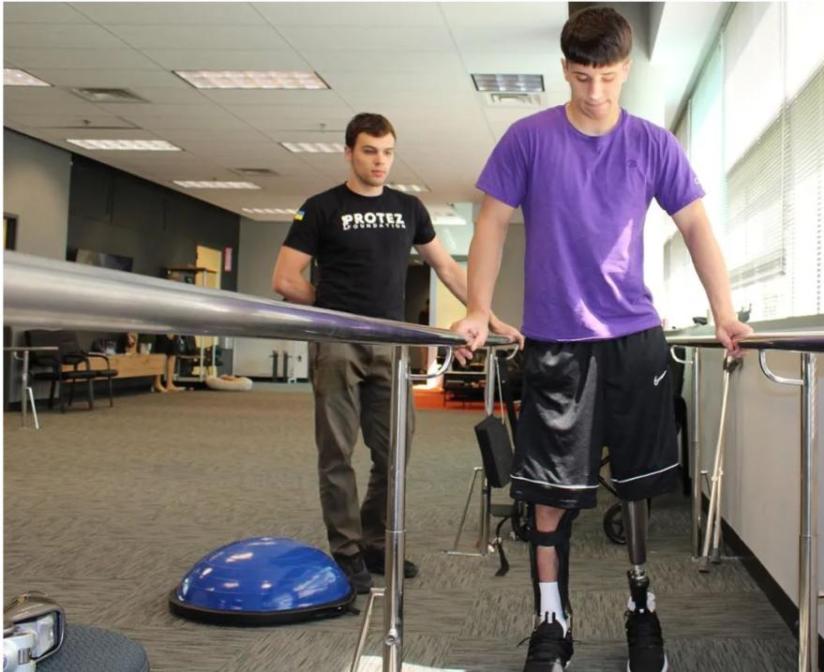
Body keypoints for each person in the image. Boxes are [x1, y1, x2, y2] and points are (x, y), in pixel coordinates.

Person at [451, 8, 752, 672]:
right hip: (557, 343)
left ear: (625, 71)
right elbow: (493, 224)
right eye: (582, 77)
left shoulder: (651, 144)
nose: (594, 93)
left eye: (608, 78)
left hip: (634, 338)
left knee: (640, 487)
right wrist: (476, 306)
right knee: (548, 494)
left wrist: (724, 313)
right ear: (564, 70)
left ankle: (642, 606)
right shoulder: (528, 138)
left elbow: (698, 227)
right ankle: (551, 620)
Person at [272, 112, 522, 594]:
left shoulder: (409, 208)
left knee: (394, 453)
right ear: (349, 152)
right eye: (370, 151)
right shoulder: (320, 207)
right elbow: (285, 279)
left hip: (391, 346)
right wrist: (333, 311)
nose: (380, 161)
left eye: (387, 151)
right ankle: (346, 554)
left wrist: (486, 314)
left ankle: (374, 542)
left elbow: (448, 267)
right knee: (337, 454)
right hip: (339, 343)